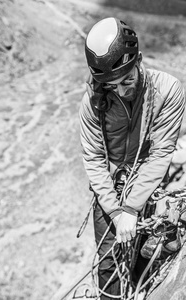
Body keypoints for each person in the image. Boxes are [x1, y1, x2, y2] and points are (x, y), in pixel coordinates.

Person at [79, 17, 185, 299]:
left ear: (139, 61)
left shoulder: (167, 90)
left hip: (147, 182)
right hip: (108, 186)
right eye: (113, 86)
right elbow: (93, 158)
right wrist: (115, 210)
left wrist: (132, 207)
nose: (122, 90)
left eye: (127, 80)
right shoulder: (93, 102)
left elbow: (162, 151)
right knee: (108, 259)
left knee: (144, 252)